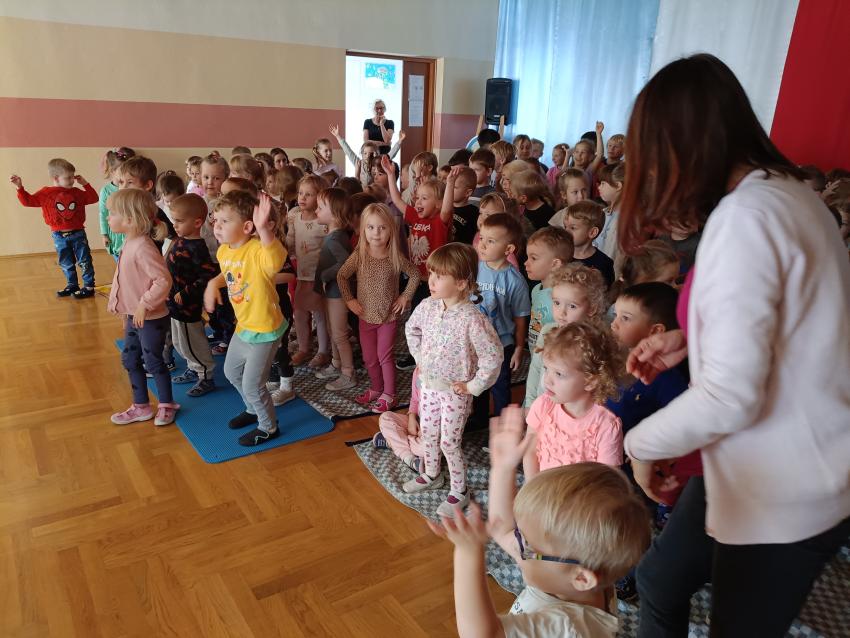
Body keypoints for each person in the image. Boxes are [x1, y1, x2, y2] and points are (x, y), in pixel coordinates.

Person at [619, 53, 850, 638]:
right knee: (660, 580)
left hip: (785, 482)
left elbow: (729, 397)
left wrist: (638, 444)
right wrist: (691, 338)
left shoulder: (748, 217)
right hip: (761, 460)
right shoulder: (787, 194)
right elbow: (788, 321)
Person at [430, 410, 649, 637]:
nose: (516, 546)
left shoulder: (570, 626)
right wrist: (503, 469)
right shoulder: (580, 575)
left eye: (527, 546)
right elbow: (503, 528)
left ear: (581, 578)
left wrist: (467, 555)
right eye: (521, 537)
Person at [403, 243, 503, 517]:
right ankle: (432, 474)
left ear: (461, 283)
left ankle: (459, 490)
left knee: (449, 442)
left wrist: (473, 386)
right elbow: (411, 329)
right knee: (428, 434)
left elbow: (493, 355)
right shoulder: (427, 306)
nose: (431, 281)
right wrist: (421, 359)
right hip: (428, 387)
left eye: (439, 276)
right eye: (431, 274)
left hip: (455, 393)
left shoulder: (473, 319)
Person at [204, 191, 286, 447]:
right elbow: (228, 273)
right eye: (216, 220)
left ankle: (268, 426)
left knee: (254, 384)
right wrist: (213, 284)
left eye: (225, 221)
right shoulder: (224, 251)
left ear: (247, 227)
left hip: (265, 329)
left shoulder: (257, 250)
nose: (217, 226)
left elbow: (275, 260)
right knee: (231, 372)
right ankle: (252, 409)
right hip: (244, 326)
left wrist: (264, 230)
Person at [337, 203, 420, 413]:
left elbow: (415, 274)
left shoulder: (395, 256)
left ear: (391, 230)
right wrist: (349, 300)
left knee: (384, 356)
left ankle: (390, 394)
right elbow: (342, 276)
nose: (376, 233)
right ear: (363, 230)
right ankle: (376, 388)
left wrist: (405, 296)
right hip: (365, 316)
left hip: (387, 318)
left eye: (382, 228)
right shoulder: (360, 255)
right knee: (369, 358)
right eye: (371, 227)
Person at [106, 189, 178, 426]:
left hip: (151, 318)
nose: (108, 217)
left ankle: (167, 404)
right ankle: (141, 406)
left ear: (129, 219)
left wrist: (144, 305)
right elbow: (126, 280)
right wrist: (122, 308)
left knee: (153, 361)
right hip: (133, 317)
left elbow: (163, 280)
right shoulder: (129, 242)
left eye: (112, 213)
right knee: (130, 359)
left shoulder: (143, 247)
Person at [522, 322, 623, 481]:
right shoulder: (543, 405)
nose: (547, 380)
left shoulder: (606, 426)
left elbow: (608, 480)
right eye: (547, 369)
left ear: (590, 381)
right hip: (542, 491)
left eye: (559, 374)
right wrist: (532, 487)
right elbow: (530, 451)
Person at [470, 213, 529, 430]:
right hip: (476, 340)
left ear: (508, 249)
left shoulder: (515, 281)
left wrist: (519, 348)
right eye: (481, 238)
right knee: (479, 382)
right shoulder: (475, 268)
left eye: (491, 241)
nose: (482, 245)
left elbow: (520, 317)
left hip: (502, 344)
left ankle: (502, 427)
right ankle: (479, 419)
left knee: (499, 385)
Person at [10, 158, 99, 299]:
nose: (72, 180)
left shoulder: (76, 192)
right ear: (56, 178)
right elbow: (28, 201)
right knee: (66, 262)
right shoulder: (46, 193)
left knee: (84, 260)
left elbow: (94, 198)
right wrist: (19, 187)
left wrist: (85, 184)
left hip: (78, 234)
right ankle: (72, 285)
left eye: (73, 177)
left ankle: (89, 286)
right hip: (58, 235)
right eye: (68, 178)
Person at [524, 263, 608, 410]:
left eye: (572, 306)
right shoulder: (547, 331)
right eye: (557, 303)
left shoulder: (593, 342)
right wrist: (530, 404)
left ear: (592, 308)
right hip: (541, 406)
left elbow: (599, 386)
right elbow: (536, 369)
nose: (562, 312)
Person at [164, 194, 218, 397]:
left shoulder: (197, 248)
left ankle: (206, 375)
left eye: (179, 221)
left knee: (192, 341)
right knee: (180, 342)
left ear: (196, 223)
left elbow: (207, 276)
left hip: (187, 306)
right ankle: (194, 367)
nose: (175, 225)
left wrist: (185, 293)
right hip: (174, 302)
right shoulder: (181, 239)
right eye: (173, 220)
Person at [286, 175, 331, 368]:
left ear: (319, 198)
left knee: (320, 314)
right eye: (300, 193)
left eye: (308, 194)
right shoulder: (296, 218)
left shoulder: (323, 222)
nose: (302, 197)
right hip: (302, 274)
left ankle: (323, 351)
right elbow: (290, 240)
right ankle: (304, 348)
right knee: (299, 312)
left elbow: (330, 246)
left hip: (318, 276)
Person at [313, 188, 355, 390]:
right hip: (330, 292)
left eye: (321, 207)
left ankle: (348, 373)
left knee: (339, 334)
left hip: (338, 293)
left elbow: (346, 263)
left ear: (336, 214)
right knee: (332, 330)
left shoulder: (337, 238)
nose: (316, 210)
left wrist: (325, 275)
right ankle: (336, 363)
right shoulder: (333, 235)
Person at [524, 226, 574, 349]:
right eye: (528, 257)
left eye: (533, 258)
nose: (526, 263)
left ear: (555, 264)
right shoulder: (536, 289)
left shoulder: (563, 298)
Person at [372, 366, 424, 473]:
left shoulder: (449, 376)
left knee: (424, 449)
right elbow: (415, 400)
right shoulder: (419, 371)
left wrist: (425, 430)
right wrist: (412, 418)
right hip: (418, 421)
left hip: (436, 429)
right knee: (386, 417)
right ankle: (408, 457)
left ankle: (394, 442)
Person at [564, 201, 615, 288]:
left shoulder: (604, 263)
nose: (566, 231)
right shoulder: (561, 255)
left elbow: (607, 291)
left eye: (573, 228)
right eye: (565, 226)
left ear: (592, 232)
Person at [100, 147, 136, 260]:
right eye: (122, 171)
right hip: (115, 236)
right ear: (113, 171)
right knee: (120, 262)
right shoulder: (106, 191)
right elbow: (103, 213)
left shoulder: (132, 187)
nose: (126, 174)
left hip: (131, 232)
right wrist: (104, 234)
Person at [595, 162, 624, 265]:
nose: (599, 187)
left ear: (618, 185)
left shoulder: (626, 221)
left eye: (603, 183)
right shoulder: (602, 212)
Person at [442, 165, 479, 244]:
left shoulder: (474, 212)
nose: (449, 189)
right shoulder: (442, 207)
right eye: (448, 185)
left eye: (454, 187)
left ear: (468, 192)